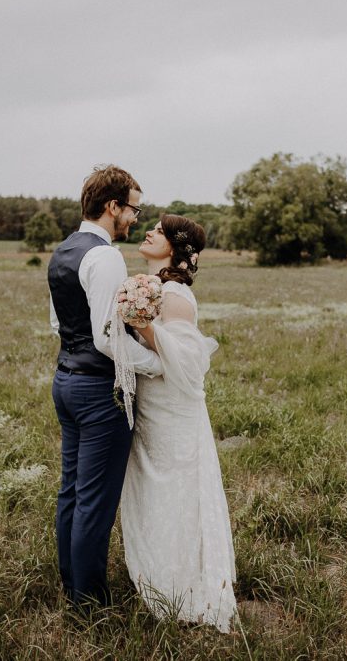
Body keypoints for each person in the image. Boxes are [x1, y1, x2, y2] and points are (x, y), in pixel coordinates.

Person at [48, 165, 163, 608]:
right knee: (94, 501)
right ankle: (89, 601)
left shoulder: (63, 251)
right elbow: (107, 337)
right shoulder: (105, 256)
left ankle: (71, 584)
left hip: (65, 381)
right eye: (133, 209)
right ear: (113, 206)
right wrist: (156, 364)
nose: (134, 218)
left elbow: (57, 323)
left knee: (72, 491)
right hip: (99, 390)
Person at [120, 214, 238, 632]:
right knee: (153, 486)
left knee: (174, 487)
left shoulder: (174, 295)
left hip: (171, 407)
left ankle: (181, 582)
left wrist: (142, 324)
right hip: (152, 404)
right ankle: (156, 569)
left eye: (158, 231)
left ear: (173, 247)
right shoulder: (154, 286)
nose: (148, 232)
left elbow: (189, 364)